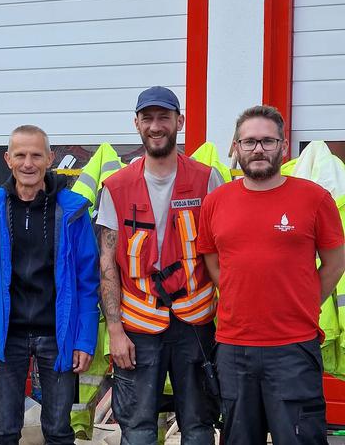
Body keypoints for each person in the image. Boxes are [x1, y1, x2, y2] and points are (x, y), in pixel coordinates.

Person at [197, 105, 345, 445]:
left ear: (283, 146)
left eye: (267, 140)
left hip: (293, 348)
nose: (258, 149)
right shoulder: (216, 202)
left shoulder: (314, 199)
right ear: (235, 147)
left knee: (300, 438)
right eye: (249, 142)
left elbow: (335, 263)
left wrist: (304, 302)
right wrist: (239, 295)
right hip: (234, 348)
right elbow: (212, 260)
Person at [97, 86, 223, 444]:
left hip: (196, 324)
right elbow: (108, 263)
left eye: (164, 117)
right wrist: (115, 332)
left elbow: (221, 254)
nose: (156, 126)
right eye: (148, 118)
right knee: (136, 427)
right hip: (137, 329)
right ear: (136, 123)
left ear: (179, 122)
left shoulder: (206, 179)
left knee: (198, 425)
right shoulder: (117, 186)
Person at [0, 125, 100, 444]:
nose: (28, 163)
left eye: (36, 155)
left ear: (50, 158)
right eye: (21, 155)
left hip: (58, 335)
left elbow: (87, 281)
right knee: (4, 431)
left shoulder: (72, 211)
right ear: (8, 159)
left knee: (58, 431)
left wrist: (84, 339)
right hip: (7, 335)